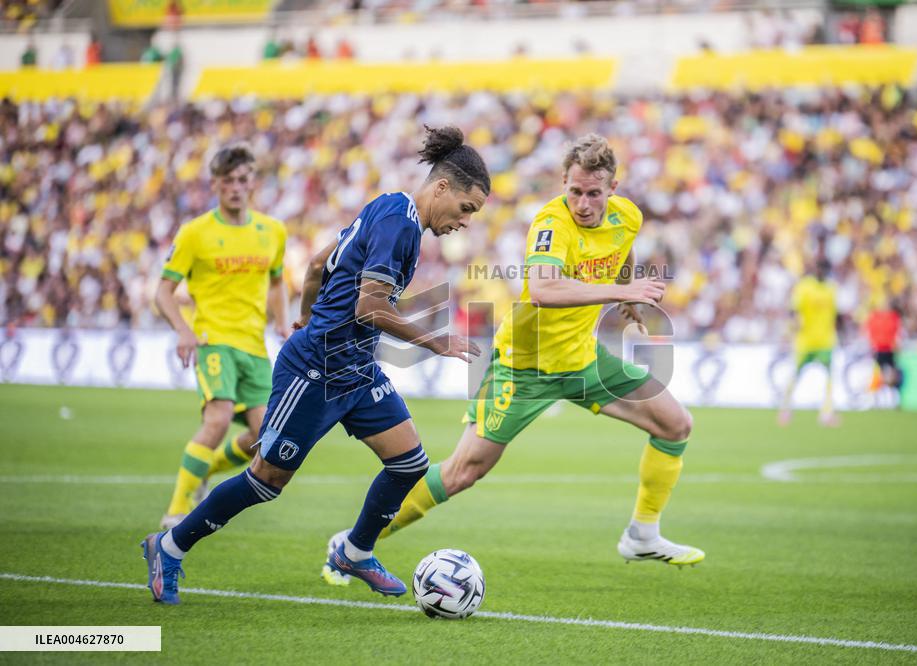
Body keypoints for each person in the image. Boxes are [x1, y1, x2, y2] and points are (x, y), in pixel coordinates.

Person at [324, 133, 703, 589]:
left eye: (593, 193)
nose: (582, 203)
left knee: (676, 424)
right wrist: (624, 291)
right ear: (563, 182)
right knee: (464, 471)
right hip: (522, 366)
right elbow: (543, 290)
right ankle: (353, 545)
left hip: (582, 361)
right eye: (575, 191)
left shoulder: (628, 218)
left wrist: (631, 304)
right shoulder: (550, 223)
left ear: (613, 189)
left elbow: (621, 253)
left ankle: (642, 534)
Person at [141, 126, 490, 604]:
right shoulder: (401, 225)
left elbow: (317, 266)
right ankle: (169, 545)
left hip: (355, 367)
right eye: (467, 208)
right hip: (317, 370)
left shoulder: (388, 207)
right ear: (443, 187)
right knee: (265, 480)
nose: (465, 221)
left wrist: (305, 314)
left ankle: (354, 550)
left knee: (409, 464)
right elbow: (370, 306)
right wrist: (435, 341)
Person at [155, 143, 289, 530]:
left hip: (254, 346)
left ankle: (205, 468)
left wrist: (282, 322)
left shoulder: (272, 231)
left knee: (266, 437)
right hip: (213, 339)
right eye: (227, 180)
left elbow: (278, 281)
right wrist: (184, 330)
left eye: (242, 180)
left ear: (253, 184)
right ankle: (177, 510)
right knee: (218, 418)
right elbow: (162, 291)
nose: (235, 187)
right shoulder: (195, 233)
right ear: (215, 184)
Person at [778, 258, 839, 426]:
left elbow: (835, 314)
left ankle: (826, 413)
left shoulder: (831, 288)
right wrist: (793, 327)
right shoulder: (804, 287)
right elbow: (793, 309)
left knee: (829, 377)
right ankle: (785, 409)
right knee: (795, 375)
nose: (821, 273)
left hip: (826, 340)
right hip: (805, 340)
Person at [865, 300, 903, 406]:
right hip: (879, 350)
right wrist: (871, 346)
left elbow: (897, 333)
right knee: (879, 374)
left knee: (891, 375)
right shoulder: (875, 317)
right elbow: (870, 333)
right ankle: (877, 399)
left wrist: (897, 346)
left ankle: (893, 399)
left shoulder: (893, 317)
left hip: (890, 349)